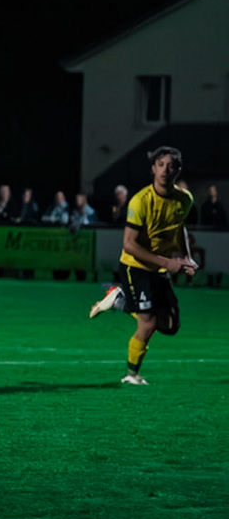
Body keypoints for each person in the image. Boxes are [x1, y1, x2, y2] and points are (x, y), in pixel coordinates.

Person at [89, 146, 197, 385]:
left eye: (171, 166)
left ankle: (119, 300)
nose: (165, 171)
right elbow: (129, 244)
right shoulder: (140, 201)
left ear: (177, 170)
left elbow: (179, 227)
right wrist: (168, 262)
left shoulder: (184, 200)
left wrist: (186, 257)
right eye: (160, 165)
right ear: (153, 169)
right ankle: (131, 374)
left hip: (159, 269)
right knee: (147, 323)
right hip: (134, 266)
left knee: (170, 325)